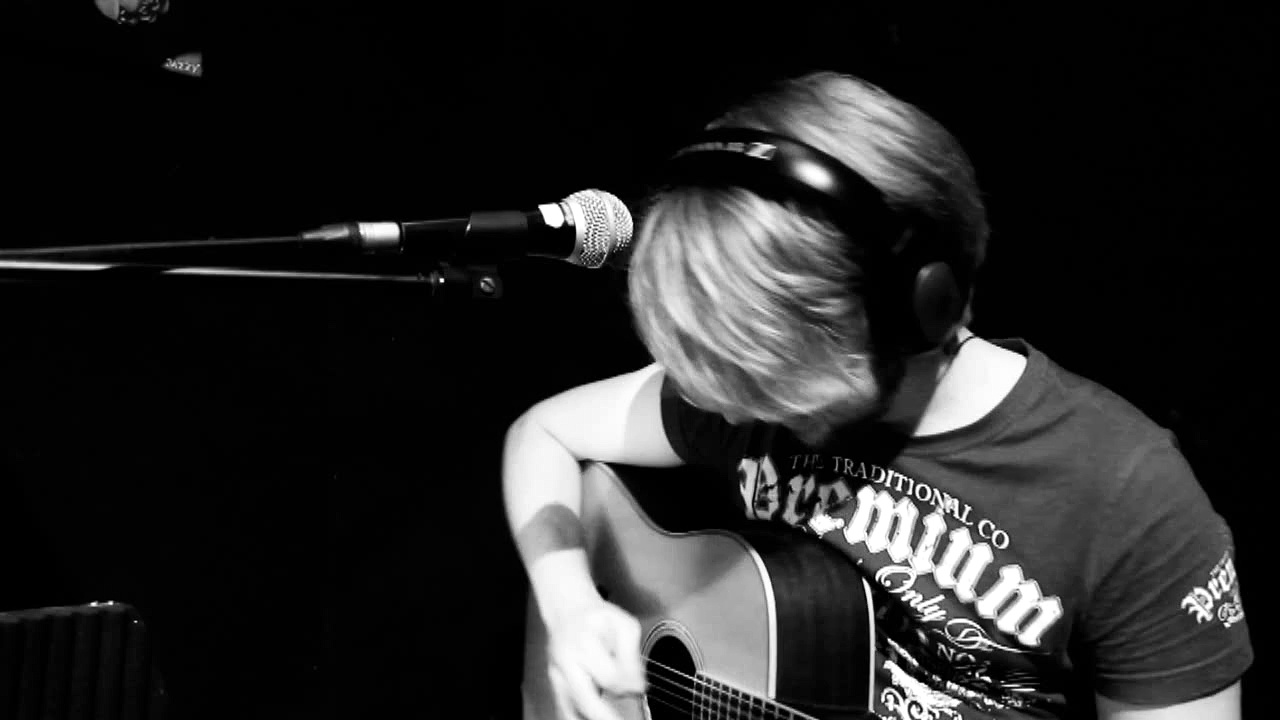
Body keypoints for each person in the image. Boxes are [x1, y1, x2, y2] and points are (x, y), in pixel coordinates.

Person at [502, 71, 1252, 720]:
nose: (721, 407)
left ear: (916, 307)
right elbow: (544, 433)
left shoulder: (1127, 497)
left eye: (753, 376)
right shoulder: (738, 392)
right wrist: (570, 604)